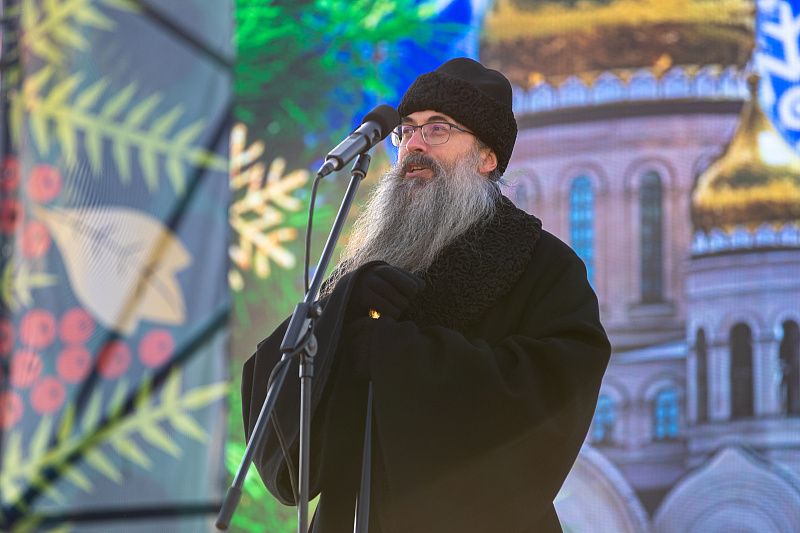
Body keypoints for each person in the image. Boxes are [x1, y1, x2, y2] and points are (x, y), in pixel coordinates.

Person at [242, 57, 610, 533]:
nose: (414, 144)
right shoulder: (371, 262)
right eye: (406, 131)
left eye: (438, 129)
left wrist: (396, 354)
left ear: (487, 157)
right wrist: (338, 309)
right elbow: (275, 396)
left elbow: (549, 396)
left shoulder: (544, 265)